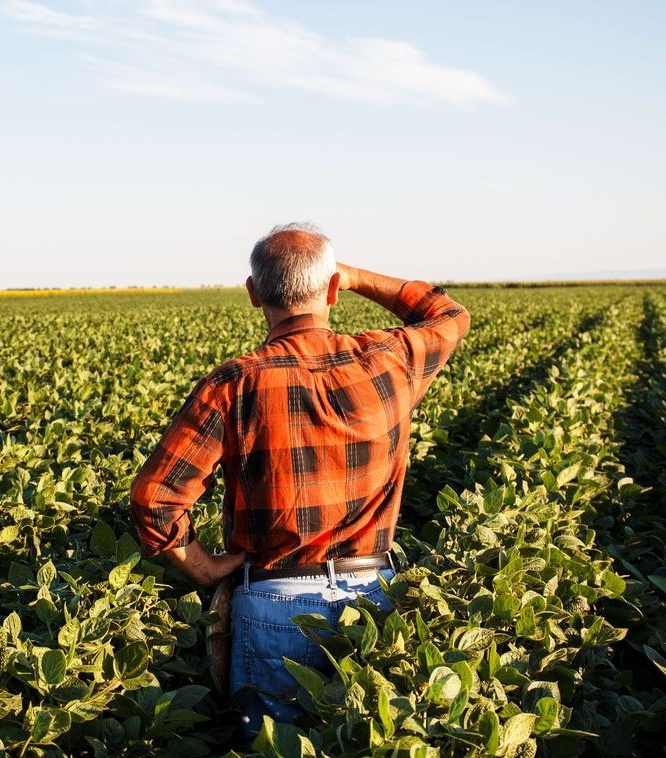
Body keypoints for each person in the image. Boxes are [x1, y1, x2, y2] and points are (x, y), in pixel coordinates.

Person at [130, 223, 470, 734]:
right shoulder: (390, 360)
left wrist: (201, 568)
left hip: (272, 601)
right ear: (333, 289)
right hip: (373, 600)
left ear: (253, 293)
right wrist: (354, 276)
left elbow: (155, 498)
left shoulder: (234, 383)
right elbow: (448, 314)